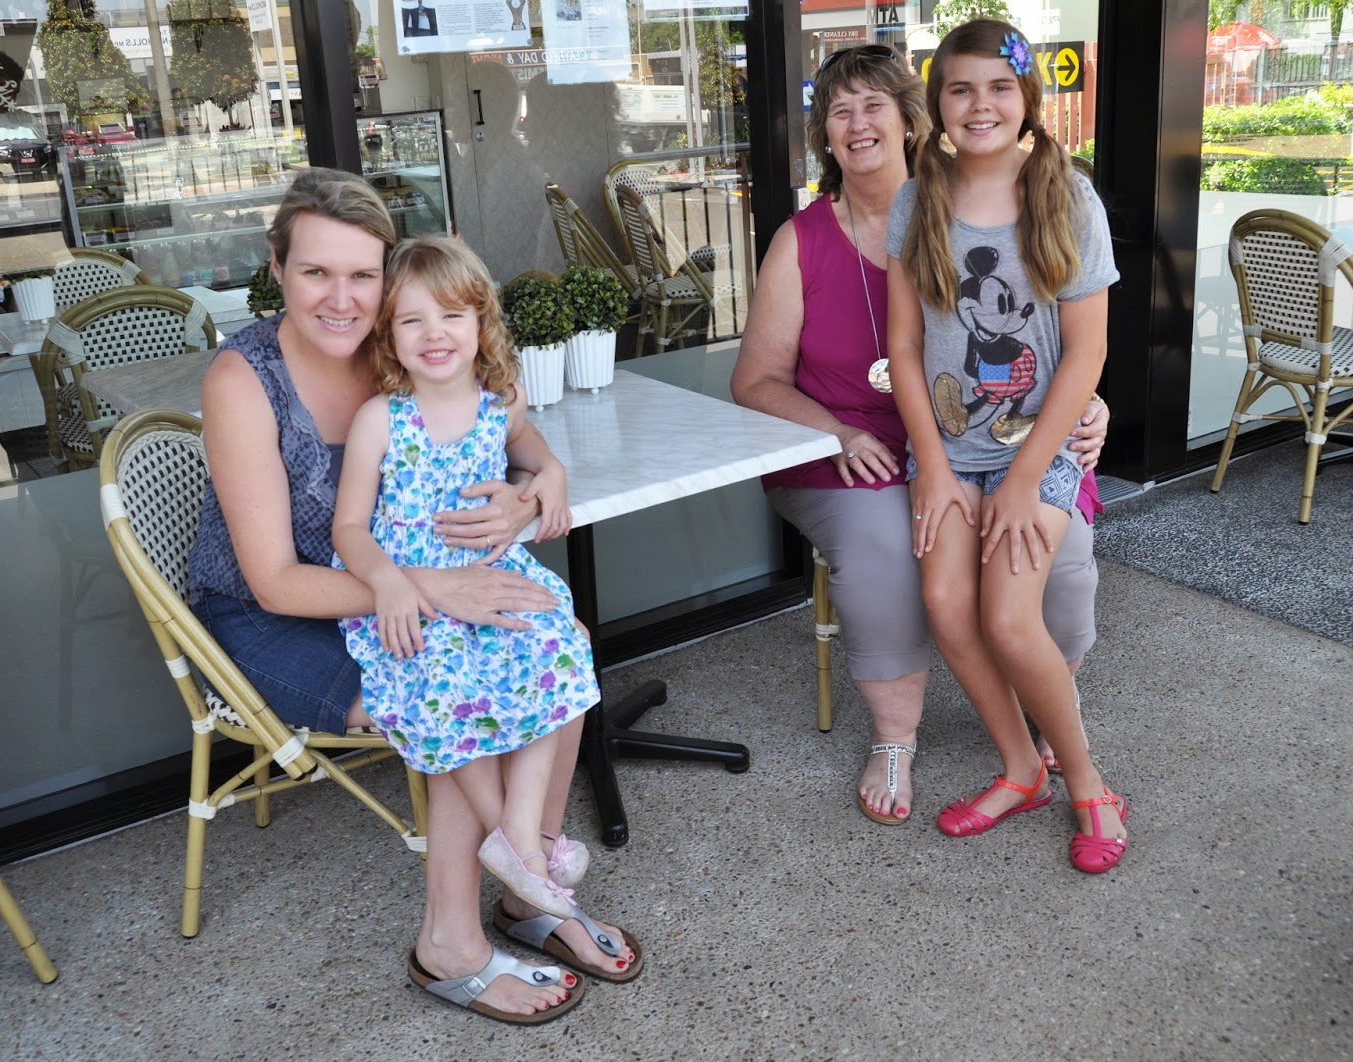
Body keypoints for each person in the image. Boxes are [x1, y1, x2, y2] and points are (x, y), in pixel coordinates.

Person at [186, 169, 637, 1026]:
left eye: (362, 275)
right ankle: (450, 942)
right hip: (275, 615)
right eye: (316, 272)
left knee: (558, 635)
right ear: (276, 269)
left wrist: (537, 483)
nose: (342, 298)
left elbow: (504, 431)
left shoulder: (398, 343)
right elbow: (276, 579)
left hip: (403, 582)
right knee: (455, 689)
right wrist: (438, 590)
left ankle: (528, 887)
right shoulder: (245, 380)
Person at [730, 43, 1108, 828]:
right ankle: (898, 738)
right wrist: (837, 433)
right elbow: (758, 379)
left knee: (1059, 560)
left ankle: (1049, 716)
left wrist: (1086, 404)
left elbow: (1062, 340)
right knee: (892, 554)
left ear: (909, 119)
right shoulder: (810, 238)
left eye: (873, 105)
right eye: (839, 112)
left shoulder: (1005, 198)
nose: (857, 124)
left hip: (1001, 437)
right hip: (864, 449)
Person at [885, 20, 1126, 873]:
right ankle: (1021, 769)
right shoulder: (918, 199)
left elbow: (1087, 354)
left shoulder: (1068, 197)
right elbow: (904, 347)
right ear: (938, 103)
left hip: (1039, 450)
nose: (979, 104)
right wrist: (931, 466)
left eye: (998, 87)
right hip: (949, 449)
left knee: (1009, 620)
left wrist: (1025, 480)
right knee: (949, 609)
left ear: (1027, 97)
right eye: (960, 89)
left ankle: (1089, 785)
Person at [331, 235, 598, 922]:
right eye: (412, 319)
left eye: (451, 315)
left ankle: (522, 834)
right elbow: (349, 528)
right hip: (413, 587)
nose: (434, 334)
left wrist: (550, 473)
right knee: (443, 681)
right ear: (389, 335)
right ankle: (520, 847)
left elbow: (529, 447)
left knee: (559, 646)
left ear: (481, 323)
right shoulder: (381, 419)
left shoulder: (498, 404)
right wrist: (389, 582)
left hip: (487, 572)